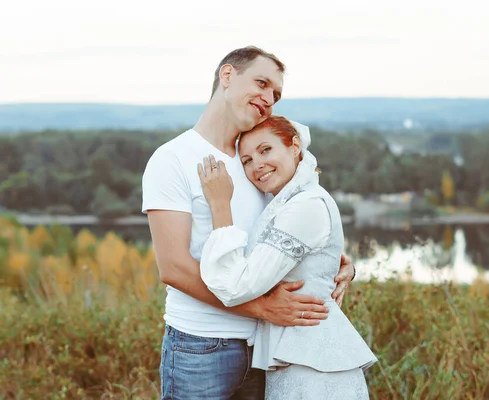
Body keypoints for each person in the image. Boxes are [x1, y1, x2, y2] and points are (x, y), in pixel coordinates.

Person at [141, 46, 356, 400]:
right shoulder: (173, 159)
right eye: (262, 82)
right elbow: (174, 268)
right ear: (227, 76)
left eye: (276, 94)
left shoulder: (258, 160)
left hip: (265, 348)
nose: (269, 97)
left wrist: (335, 263)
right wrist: (259, 307)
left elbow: (286, 230)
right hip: (200, 347)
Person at [198, 116, 377, 400]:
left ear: (295, 147)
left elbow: (237, 287)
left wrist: (220, 206)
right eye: (246, 160)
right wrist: (339, 264)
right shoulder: (288, 201)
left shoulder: (305, 206)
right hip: (297, 357)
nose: (256, 164)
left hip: (314, 364)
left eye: (265, 150)